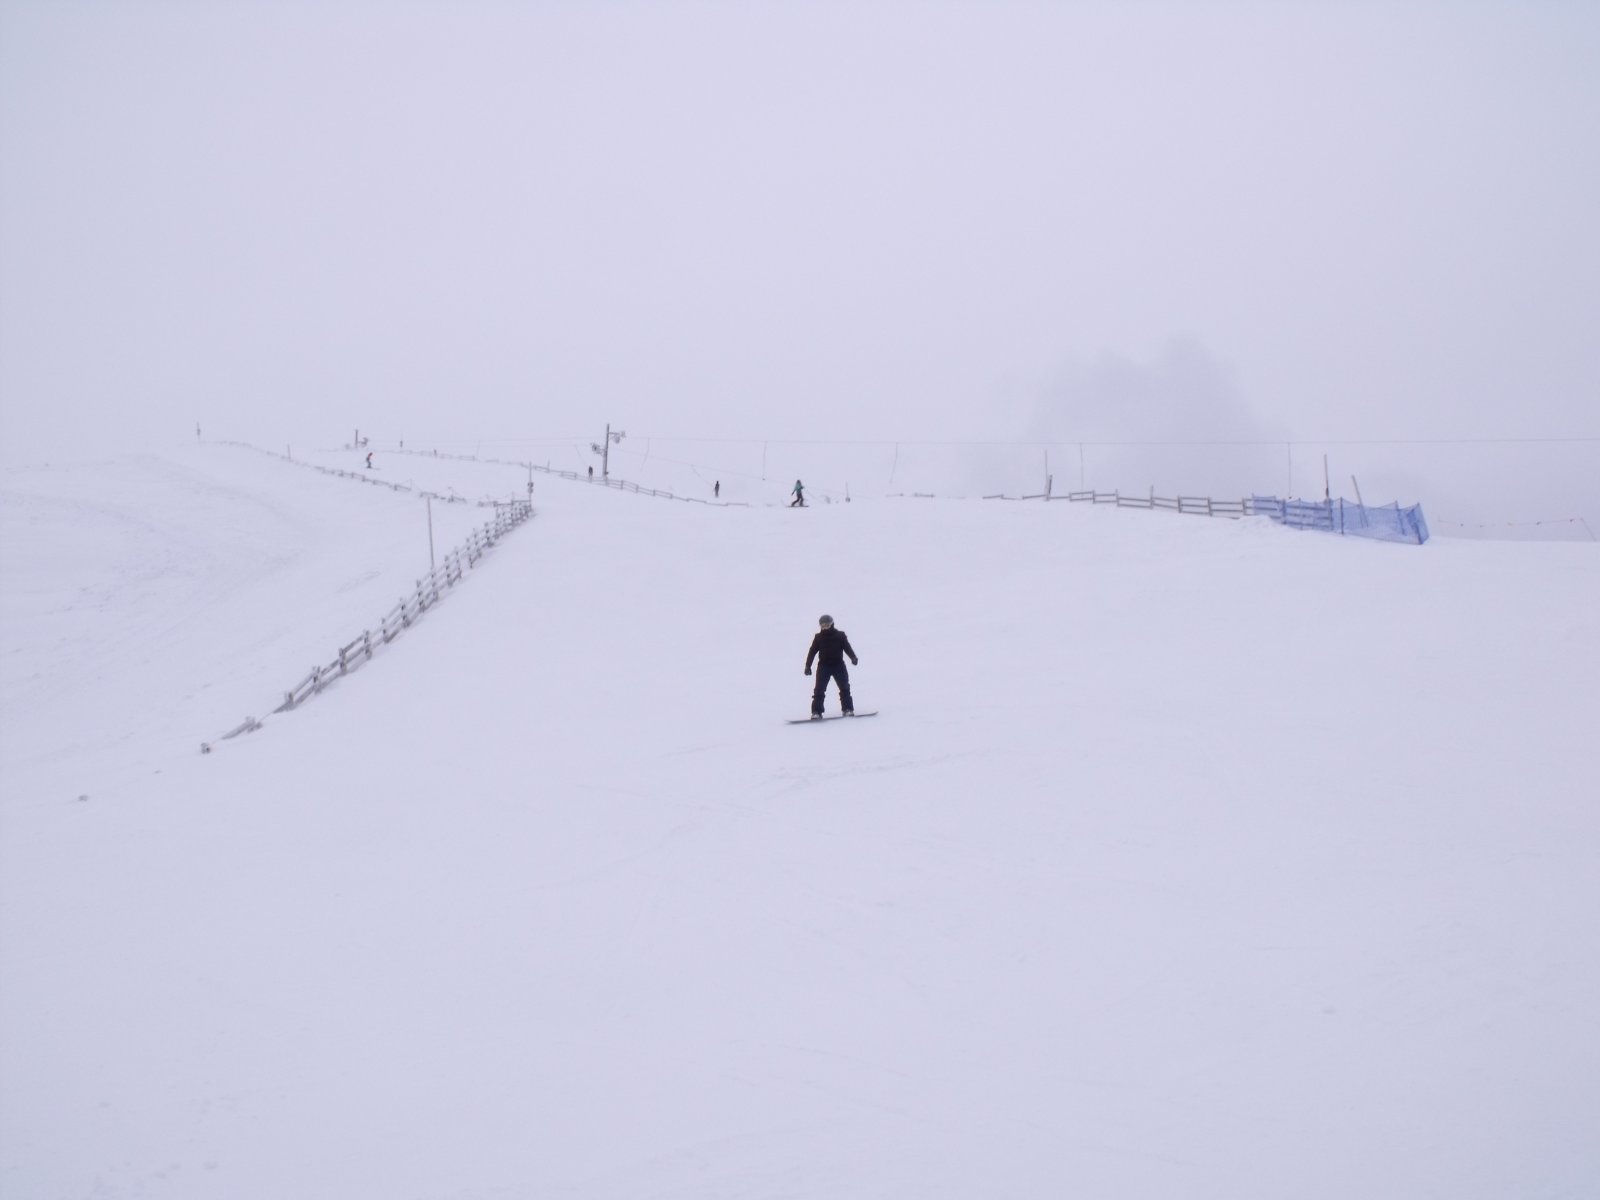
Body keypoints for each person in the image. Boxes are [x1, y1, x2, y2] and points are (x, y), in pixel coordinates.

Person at [804, 614, 858, 718]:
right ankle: (816, 712)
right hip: (824, 667)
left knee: (844, 687)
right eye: (823, 626)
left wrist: (853, 657)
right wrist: (808, 666)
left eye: (827, 625)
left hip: (839, 666)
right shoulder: (818, 638)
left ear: (832, 624)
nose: (825, 628)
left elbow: (847, 648)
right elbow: (812, 652)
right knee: (819, 690)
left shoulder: (840, 636)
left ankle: (847, 709)